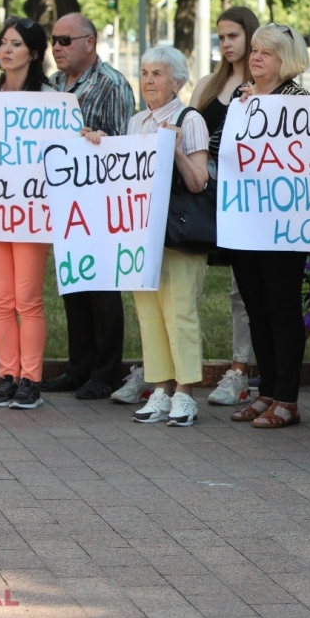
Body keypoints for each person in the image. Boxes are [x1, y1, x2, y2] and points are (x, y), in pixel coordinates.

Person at [89, 46, 210, 426]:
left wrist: (174, 151)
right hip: (140, 235)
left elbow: (199, 181)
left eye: (157, 73)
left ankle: (186, 392)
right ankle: (160, 387)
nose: (148, 80)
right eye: (144, 72)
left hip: (178, 236)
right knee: (149, 314)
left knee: (181, 313)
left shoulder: (190, 120)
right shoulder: (136, 121)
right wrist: (100, 144)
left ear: (177, 81)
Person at [169, 6, 260, 409]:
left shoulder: (265, 85)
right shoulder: (208, 84)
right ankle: (172, 369)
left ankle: (241, 368)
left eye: (233, 36)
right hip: (205, 196)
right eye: (220, 37)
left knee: (244, 290)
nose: (225, 44)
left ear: (251, 37)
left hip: (247, 198)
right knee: (188, 286)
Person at [41, 13, 135, 399]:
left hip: (100, 202)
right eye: (53, 40)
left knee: (102, 291)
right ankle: (78, 367)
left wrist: (99, 139)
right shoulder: (52, 86)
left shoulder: (112, 84)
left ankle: (106, 371)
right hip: (65, 202)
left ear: (90, 42)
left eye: (65, 40)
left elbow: (123, 146)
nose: (57, 47)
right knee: (73, 285)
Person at [227, 24, 310, 429]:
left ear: (286, 60)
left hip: (284, 224)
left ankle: (288, 398)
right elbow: (219, 150)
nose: (256, 57)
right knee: (255, 309)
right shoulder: (242, 100)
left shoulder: (299, 102)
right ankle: (267, 391)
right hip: (246, 221)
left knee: (281, 309)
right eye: (254, 50)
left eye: (267, 52)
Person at [0, 19, 58, 410]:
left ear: (35, 53)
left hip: (32, 212)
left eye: (16, 44)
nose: (6, 51)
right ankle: (7, 376)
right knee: (0, 300)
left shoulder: (50, 99)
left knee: (27, 299)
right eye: (2, 43)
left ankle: (31, 379)